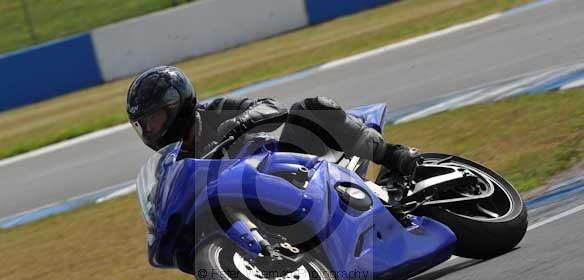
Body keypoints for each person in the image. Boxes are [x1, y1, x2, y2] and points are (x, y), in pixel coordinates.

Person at [126, 65, 421, 176]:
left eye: (154, 119)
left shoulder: (213, 112)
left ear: (176, 105)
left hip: (288, 166)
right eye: (143, 124)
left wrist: (241, 122)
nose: (150, 130)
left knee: (311, 108)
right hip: (248, 199)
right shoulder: (176, 164)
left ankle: (393, 155)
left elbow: (271, 107)